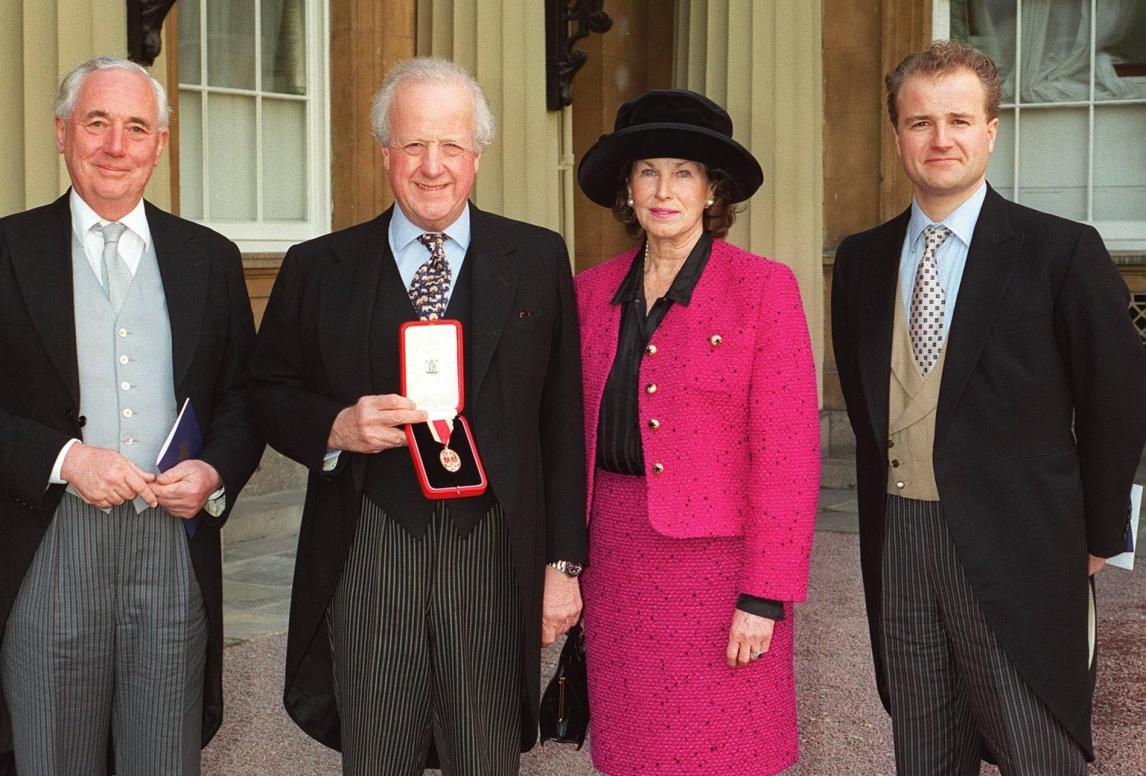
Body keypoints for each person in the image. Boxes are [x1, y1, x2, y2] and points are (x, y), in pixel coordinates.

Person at [0, 56, 263, 776]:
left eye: (135, 127)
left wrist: (212, 470)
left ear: (160, 145)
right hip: (49, 543)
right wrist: (65, 461)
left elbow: (243, 398)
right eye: (97, 123)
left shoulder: (211, 258)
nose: (115, 146)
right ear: (61, 133)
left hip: (172, 546)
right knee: (52, 754)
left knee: (165, 757)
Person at [250, 57, 586, 775]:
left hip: (494, 547)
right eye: (413, 145)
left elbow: (564, 421)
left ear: (477, 156)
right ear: (385, 154)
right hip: (372, 542)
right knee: (376, 755)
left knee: (487, 756)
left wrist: (564, 565)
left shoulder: (536, 257)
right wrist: (336, 426)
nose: (432, 166)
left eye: (451, 147)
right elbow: (265, 390)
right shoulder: (318, 267)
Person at [832, 40, 1146, 775]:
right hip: (900, 537)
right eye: (920, 122)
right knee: (925, 746)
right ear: (897, 134)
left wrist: (1103, 530)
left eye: (959, 120)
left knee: (1038, 747)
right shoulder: (861, 260)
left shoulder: (1061, 251)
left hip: (1020, 543)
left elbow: (1119, 395)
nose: (941, 139)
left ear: (991, 130)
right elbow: (865, 393)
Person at [572, 89, 820, 775]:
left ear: (714, 190)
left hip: (718, 575)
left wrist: (763, 597)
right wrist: (562, 566)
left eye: (684, 172)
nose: (664, 189)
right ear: (627, 186)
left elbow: (788, 456)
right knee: (633, 754)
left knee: (723, 752)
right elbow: (563, 444)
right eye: (648, 170)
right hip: (616, 564)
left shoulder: (763, 289)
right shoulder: (588, 292)